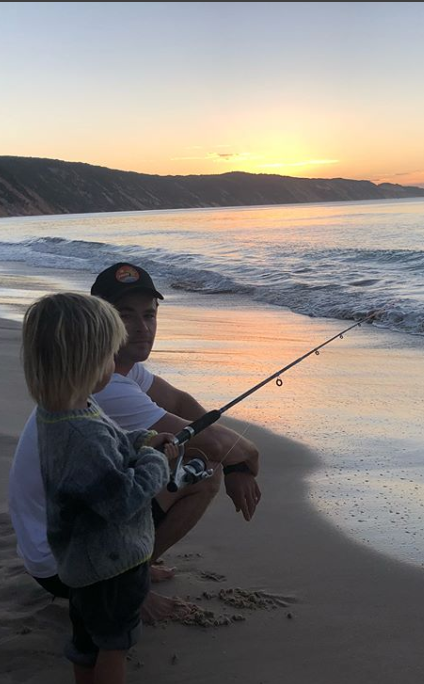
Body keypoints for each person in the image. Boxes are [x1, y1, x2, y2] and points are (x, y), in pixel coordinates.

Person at [8, 262, 261, 622]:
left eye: (149, 315)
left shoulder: (100, 371)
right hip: (67, 565)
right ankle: (126, 584)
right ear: (102, 321)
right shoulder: (105, 384)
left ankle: (130, 567)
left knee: (175, 460)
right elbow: (216, 446)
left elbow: (178, 401)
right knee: (205, 470)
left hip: (57, 542)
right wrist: (244, 460)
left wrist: (234, 459)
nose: (143, 328)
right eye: (126, 316)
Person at [21, 291, 179, 684]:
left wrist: (142, 441)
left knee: (85, 642)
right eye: (110, 355)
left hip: (78, 560)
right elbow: (123, 500)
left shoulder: (63, 412)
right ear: (88, 361)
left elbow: (111, 444)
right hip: (110, 565)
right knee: (113, 645)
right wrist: (156, 461)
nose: (115, 363)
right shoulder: (82, 432)